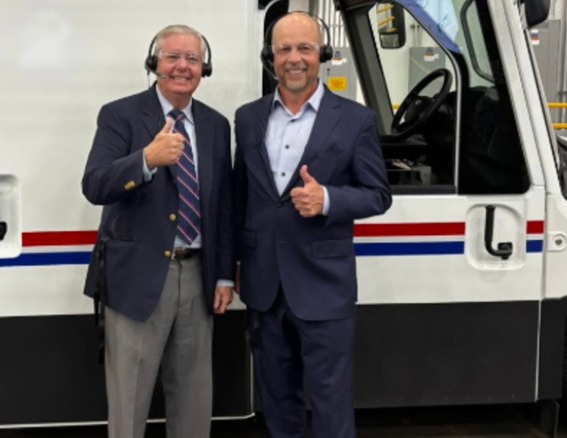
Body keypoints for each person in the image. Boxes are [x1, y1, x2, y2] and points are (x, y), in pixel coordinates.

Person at [233, 11, 392, 438]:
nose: (294, 58)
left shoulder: (356, 120)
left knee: (330, 400)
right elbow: (239, 198)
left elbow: (378, 194)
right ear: (271, 57)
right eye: (284, 49)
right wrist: (230, 268)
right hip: (264, 285)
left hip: (324, 285)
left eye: (304, 48)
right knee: (276, 399)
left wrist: (329, 200)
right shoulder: (247, 118)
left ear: (322, 53)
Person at [81, 24, 234, 438]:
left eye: (192, 59)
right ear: (154, 63)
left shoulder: (217, 125)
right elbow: (94, 185)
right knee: (129, 401)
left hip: (199, 275)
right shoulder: (120, 115)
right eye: (173, 57)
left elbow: (222, 205)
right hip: (137, 278)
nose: (183, 66)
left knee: (193, 398)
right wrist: (146, 159)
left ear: (204, 69)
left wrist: (224, 275)